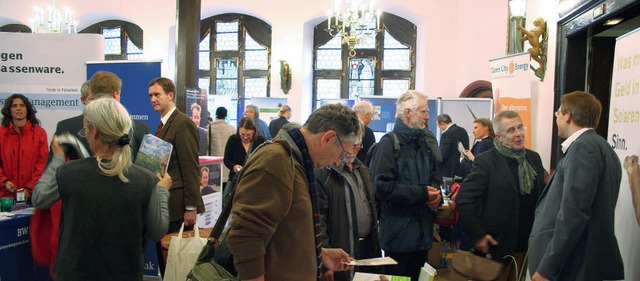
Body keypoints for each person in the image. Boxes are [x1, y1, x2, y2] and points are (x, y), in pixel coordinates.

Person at [31, 97, 171, 281]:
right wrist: (162, 190)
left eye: (85, 129)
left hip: (73, 272)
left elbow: (39, 198)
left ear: (94, 131)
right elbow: (156, 232)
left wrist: (58, 159)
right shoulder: (145, 179)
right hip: (124, 272)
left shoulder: (68, 173)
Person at [227, 103, 360, 280]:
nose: (338, 162)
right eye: (342, 154)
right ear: (328, 138)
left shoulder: (297, 161)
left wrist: (320, 253)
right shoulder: (276, 161)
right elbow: (245, 235)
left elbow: (288, 231)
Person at [528, 91, 624, 281]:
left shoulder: (582, 148)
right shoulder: (604, 148)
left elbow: (573, 214)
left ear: (568, 115)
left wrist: (548, 268)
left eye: (558, 114)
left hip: (574, 265)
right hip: (585, 262)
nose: (556, 120)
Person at [456, 110, 545, 281]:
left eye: (520, 128)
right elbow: (465, 200)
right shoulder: (486, 161)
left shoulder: (533, 159)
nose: (518, 134)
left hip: (527, 246)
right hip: (497, 247)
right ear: (498, 137)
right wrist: (479, 234)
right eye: (511, 130)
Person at [368, 90, 442, 281]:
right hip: (398, 237)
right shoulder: (388, 144)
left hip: (423, 235)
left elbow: (434, 178)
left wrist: (436, 196)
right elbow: (381, 187)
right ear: (408, 112)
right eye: (424, 112)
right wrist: (422, 193)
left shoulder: (425, 143)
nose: (428, 116)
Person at [316, 128, 381, 281]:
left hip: (366, 248)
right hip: (340, 249)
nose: (352, 151)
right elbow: (319, 221)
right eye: (350, 145)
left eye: (357, 146)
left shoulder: (363, 170)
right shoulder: (324, 173)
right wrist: (325, 263)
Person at [148, 77, 204, 233]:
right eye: (151, 96)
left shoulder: (182, 123)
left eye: (157, 94)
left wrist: (191, 207)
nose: (153, 99)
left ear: (170, 95)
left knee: (176, 255)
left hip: (179, 207)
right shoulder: (164, 124)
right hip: (167, 202)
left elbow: (191, 167)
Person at [0, 94, 48, 201]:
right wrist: (4, 182)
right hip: (5, 196)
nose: (18, 108)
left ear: (27, 109)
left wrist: (29, 188)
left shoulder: (39, 133)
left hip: (33, 195)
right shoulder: (1, 133)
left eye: (22, 105)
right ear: (9, 110)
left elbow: (42, 164)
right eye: (14, 106)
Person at [223, 117, 266, 181]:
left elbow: (265, 159)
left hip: (256, 179)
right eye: (242, 134)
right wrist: (234, 166)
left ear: (253, 132)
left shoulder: (260, 141)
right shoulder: (233, 140)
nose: (245, 137)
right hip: (236, 179)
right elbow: (227, 159)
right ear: (238, 131)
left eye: (248, 135)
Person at [208, 106, 236, 183]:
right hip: (228, 161)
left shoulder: (209, 128)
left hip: (213, 161)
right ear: (226, 115)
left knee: (214, 184)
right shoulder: (232, 128)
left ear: (216, 114)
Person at [437, 114, 469, 179]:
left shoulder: (446, 134)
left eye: (439, 126)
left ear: (443, 124)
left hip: (448, 171)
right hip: (461, 169)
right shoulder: (463, 131)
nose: (440, 129)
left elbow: (443, 154)